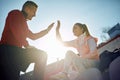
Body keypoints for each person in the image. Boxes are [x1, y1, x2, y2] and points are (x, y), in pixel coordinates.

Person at [0, 1, 54, 80]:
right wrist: (27, 45)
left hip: (14, 56)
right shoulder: (15, 13)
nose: (35, 15)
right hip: (7, 52)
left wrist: (47, 30)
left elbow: (33, 36)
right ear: (27, 9)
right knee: (41, 55)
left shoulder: (24, 24)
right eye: (34, 11)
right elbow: (16, 30)